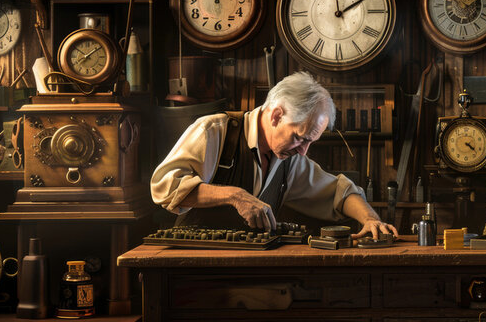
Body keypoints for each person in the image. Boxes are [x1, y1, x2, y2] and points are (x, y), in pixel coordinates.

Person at [151, 71, 398, 239]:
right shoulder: (214, 131)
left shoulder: (290, 160)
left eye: (310, 141)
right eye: (299, 137)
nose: (303, 151)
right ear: (276, 116)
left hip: (248, 266)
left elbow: (340, 192)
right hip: (192, 262)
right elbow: (164, 187)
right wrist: (234, 195)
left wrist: (369, 219)